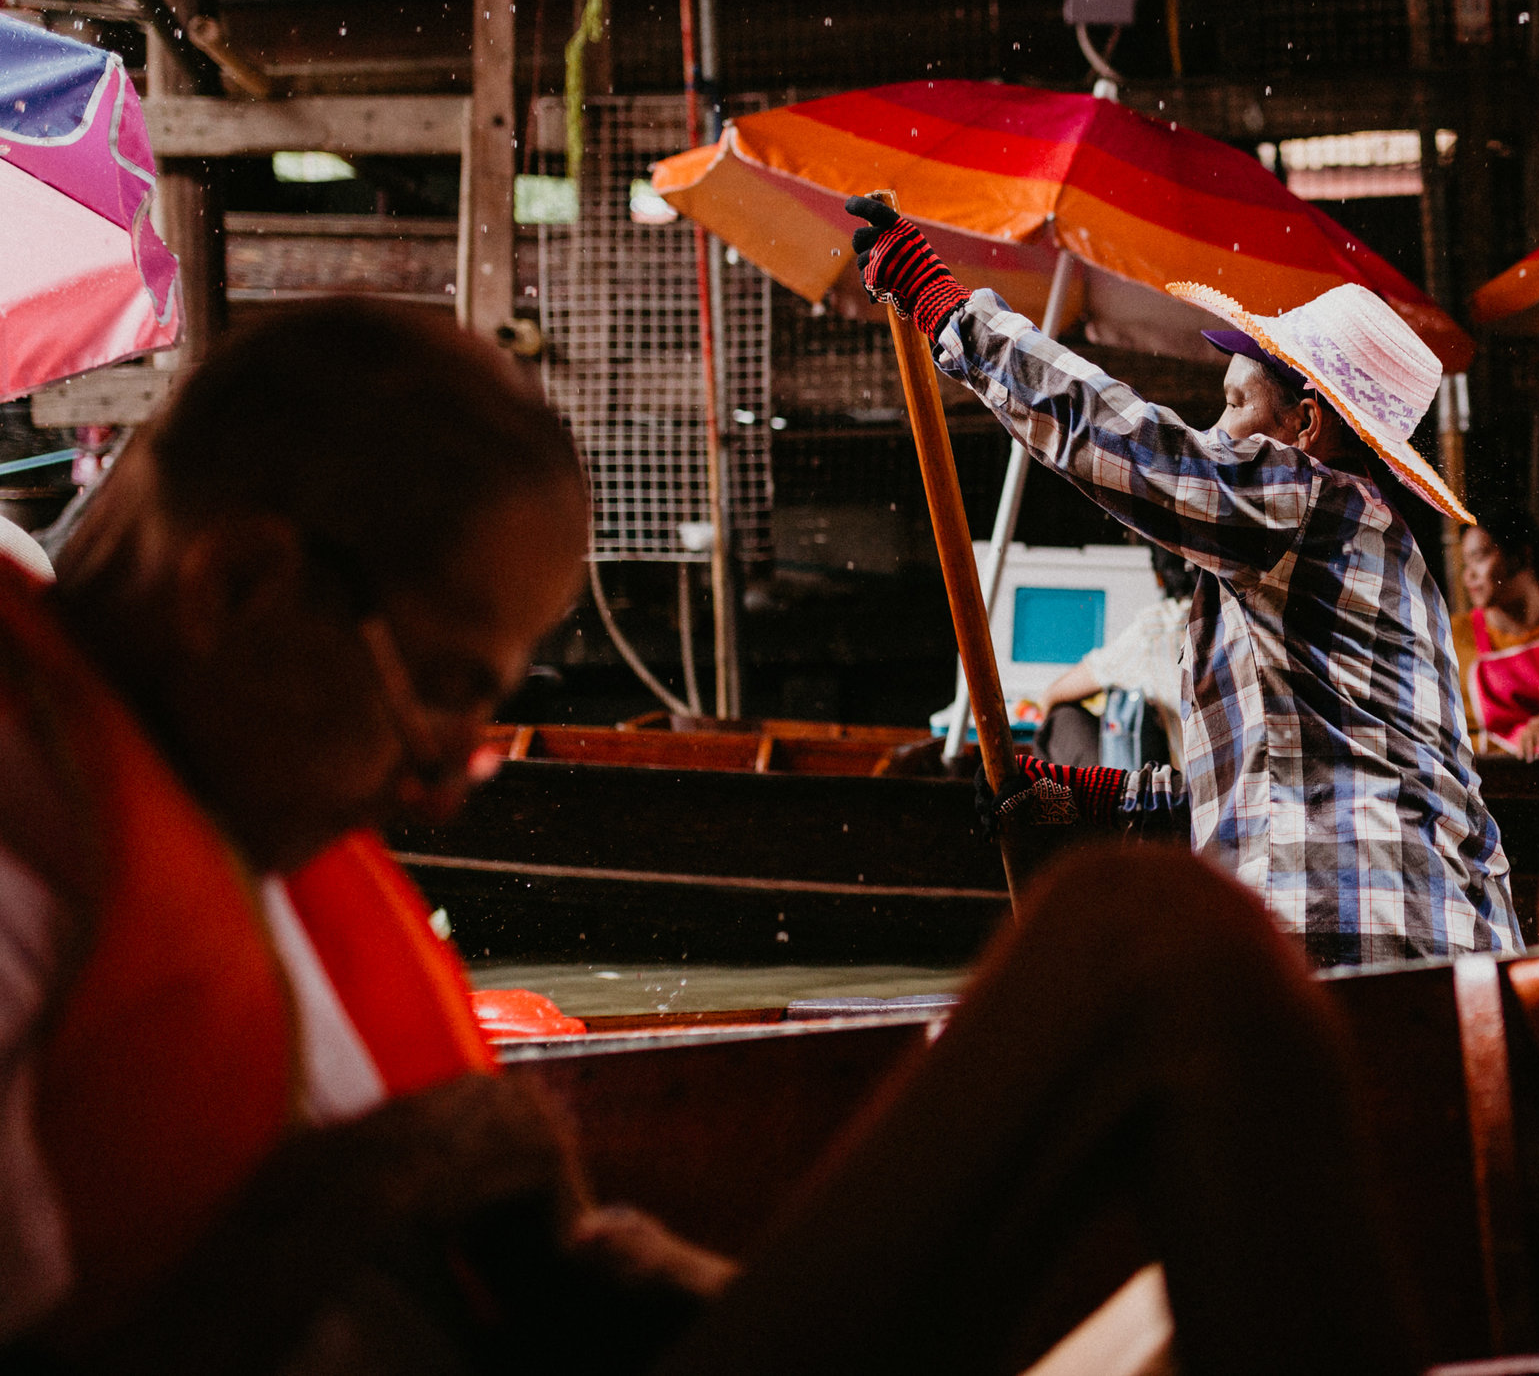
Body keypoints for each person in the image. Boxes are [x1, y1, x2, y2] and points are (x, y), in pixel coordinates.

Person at [0, 300, 1422, 1376]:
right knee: (1148, 944)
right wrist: (368, 1186)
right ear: (239, 583)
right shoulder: (27, 833)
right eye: (440, 694)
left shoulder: (205, 797)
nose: (439, 787)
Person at [848, 196, 1520, 968]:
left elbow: (1125, 441)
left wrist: (948, 310)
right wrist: (1092, 795)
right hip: (1443, 950)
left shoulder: (1308, 501)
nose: (1216, 428)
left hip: (1369, 942)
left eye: (1236, 403)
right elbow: (1262, 787)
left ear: (1306, 426)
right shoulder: (1361, 554)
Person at [1033, 543, 1194, 769]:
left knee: (1060, 719)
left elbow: (1051, 696)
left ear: (1159, 578)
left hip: (1185, 796)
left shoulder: (1159, 627)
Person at [1458, 515, 1539, 761]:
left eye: (1479, 557)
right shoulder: (1453, 636)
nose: (1468, 576)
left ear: (1519, 556)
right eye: (1465, 563)